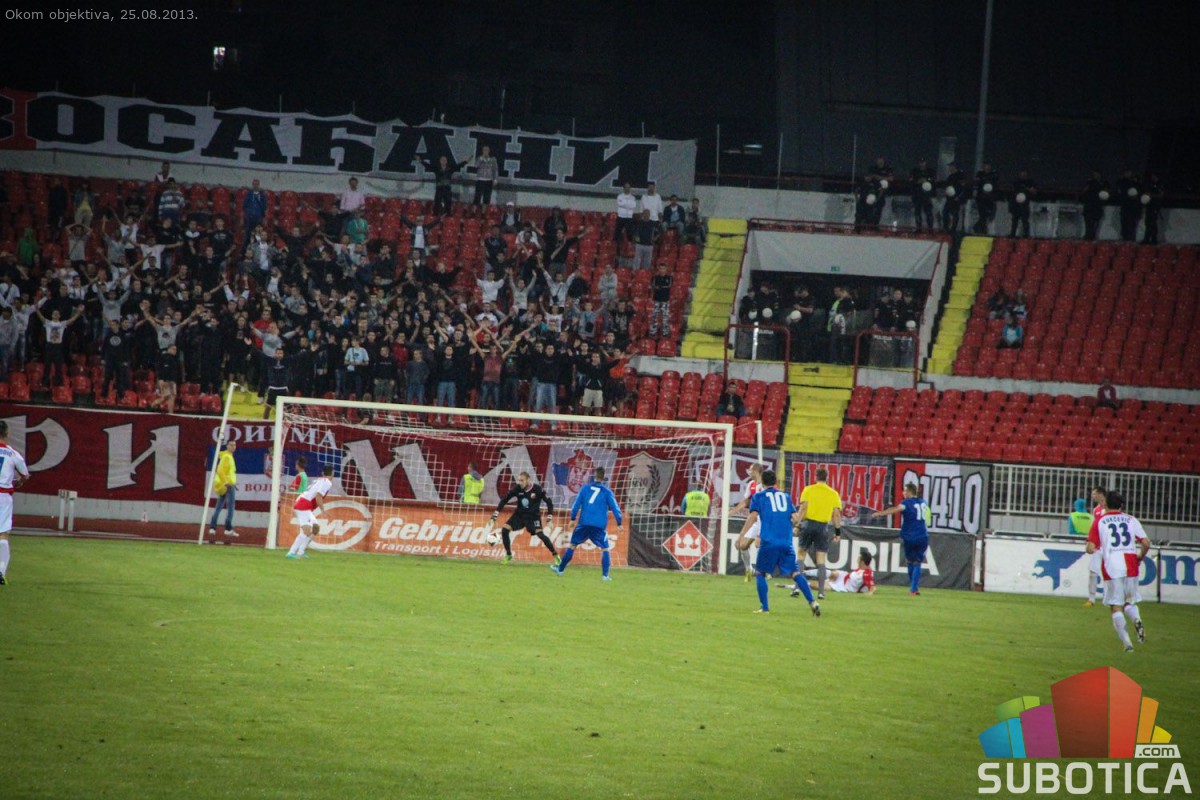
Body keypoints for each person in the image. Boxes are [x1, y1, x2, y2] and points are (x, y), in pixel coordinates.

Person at [736, 469, 819, 616]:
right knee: (795, 573)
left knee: (760, 573)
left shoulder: (758, 497)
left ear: (762, 482)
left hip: (769, 541)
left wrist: (741, 535)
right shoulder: (786, 496)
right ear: (775, 482)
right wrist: (793, 526)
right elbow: (795, 518)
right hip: (786, 542)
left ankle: (765, 608)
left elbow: (753, 517)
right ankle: (812, 601)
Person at [1086, 491, 1149, 652]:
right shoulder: (1131, 519)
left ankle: (1127, 644)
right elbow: (1146, 543)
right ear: (1121, 505)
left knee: (1115, 606)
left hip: (1112, 566)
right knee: (1129, 601)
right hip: (1131, 564)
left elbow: (1090, 548)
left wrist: (1093, 547)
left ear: (1106, 504)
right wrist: (1140, 557)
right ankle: (1137, 619)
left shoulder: (1100, 521)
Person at [554, 466, 622, 580]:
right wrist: (619, 522)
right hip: (599, 525)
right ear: (603, 477)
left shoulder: (585, 488)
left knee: (572, 545)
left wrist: (572, 518)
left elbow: (576, 505)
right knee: (605, 548)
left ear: (594, 476)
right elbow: (615, 508)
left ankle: (560, 570)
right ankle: (605, 576)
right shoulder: (607, 492)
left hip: (584, 523)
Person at [870, 482, 930, 596]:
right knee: (918, 562)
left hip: (910, 536)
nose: (903, 493)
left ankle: (913, 588)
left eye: (905, 490)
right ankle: (914, 588)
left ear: (909, 492)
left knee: (910, 561)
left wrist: (880, 514)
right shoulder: (923, 502)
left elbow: (895, 509)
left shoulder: (906, 503)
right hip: (923, 536)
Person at [489, 471, 559, 565]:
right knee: (505, 530)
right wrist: (494, 515)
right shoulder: (517, 488)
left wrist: (549, 518)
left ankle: (555, 555)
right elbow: (504, 500)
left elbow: (549, 502)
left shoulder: (537, 489)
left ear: (528, 480)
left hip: (533, 517)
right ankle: (508, 554)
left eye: (522, 480)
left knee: (540, 535)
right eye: (519, 480)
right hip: (519, 515)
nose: (520, 483)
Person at [795, 467, 844, 599]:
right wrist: (838, 532)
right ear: (827, 478)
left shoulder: (808, 490)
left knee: (801, 555)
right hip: (823, 527)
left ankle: (797, 588)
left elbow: (803, 508)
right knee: (821, 559)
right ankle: (821, 592)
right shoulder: (833, 493)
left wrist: (797, 525)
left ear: (815, 476)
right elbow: (836, 514)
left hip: (808, 524)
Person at [0, 420, 31, 585]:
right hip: (3, 497)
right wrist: (18, 482)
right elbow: (25, 475)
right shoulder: (12, 454)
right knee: (3, 534)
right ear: (6, 434)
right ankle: (0, 572)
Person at [287, 464, 334, 559]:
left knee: (315, 528)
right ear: (332, 473)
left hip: (303, 502)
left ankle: (301, 552)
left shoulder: (319, 480)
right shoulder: (327, 483)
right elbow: (318, 496)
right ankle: (291, 553)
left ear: (322, 473)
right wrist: (323, 510)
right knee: (306, 530)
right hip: (303, 504)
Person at [730, 463, 765, 583]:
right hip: (755, 520)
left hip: (765, 520)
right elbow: (745, 501)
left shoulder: (765, 485)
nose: (749, 472)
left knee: (760, 545)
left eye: (750, 470)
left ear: (756, 471)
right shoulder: (751, 484)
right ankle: (749, 569)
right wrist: (733, 511)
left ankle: (764, 571)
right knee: (743, 545)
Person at [796, 548, 875, 595]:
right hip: (843, 577)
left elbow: (872, 587)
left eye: (858, 559)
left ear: (862, 562)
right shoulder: (862, 569)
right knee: (832, 573)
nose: (857, 560)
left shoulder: (867, 573)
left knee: (817, 586)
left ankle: (799, 584)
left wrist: (870, 593)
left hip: (843, 587)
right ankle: (803, 572)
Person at [208, 440, 239, 539]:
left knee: (219, 506)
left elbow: (228, 472)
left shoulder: (227, 456)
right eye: (231, 445)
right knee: (230, 507)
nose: (233, 447)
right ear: (227, 446)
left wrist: (233, 483)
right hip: (227, 485)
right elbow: (220, 470)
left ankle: (212, 527)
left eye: (234, 445)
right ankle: (228, 529)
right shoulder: (227, 457)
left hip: (226, 485)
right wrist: (226, 482)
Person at [1083, 486, 1107, 607]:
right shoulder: (1096, 510)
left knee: (1109, 573)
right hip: (1098, 546)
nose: (1092, 496)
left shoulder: (1110, 508)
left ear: (1101, 494)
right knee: (1093, 572)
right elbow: (1094, 527)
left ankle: (1107, 598)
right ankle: (1091, 599)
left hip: (1109, 547)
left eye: (1094, 494)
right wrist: (1091, 541)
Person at [1081, 171, 1111, 241]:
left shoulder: (1104, 183)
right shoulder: (1089, 182)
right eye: (1095, 174)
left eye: (1098, 174)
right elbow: (1084, 191)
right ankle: (1088, 236)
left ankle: (1092, 236)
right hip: (1089, 205)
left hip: (1097, 206)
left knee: (1095, 223)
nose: (1096, 176)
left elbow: (1106, 193)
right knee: (1088, 222)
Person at [973, 162, 999, 234]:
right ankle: (980, 229)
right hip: (981, 198)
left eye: (988, 166)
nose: (987, 168)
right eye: (985, 166)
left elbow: (996, 185)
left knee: (987, 215)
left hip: (990, 199)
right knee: (982, 215)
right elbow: (976, 182)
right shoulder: (980, 174)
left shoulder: (994, 174)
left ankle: (979, 228)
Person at [910, 158, 936, 231]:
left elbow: (933, 179)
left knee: (928, 212)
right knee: (917, 212)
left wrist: (926, 180)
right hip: (917, 194)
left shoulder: (930, 171)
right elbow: (911, 180)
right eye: (921, 162)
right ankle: (918, 228)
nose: (922, 164)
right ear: (919, 163)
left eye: (923, 162)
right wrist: (918, 181)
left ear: (925, 163)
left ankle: (930, 229)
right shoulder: (914, 171)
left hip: (927, 195)